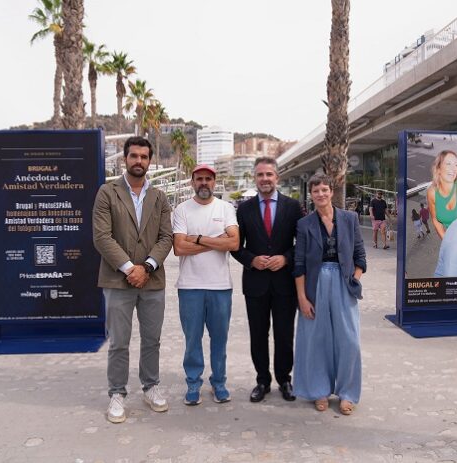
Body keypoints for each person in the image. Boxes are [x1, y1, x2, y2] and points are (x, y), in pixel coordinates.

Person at [92, 136, 174, 424]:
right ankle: (117, 393)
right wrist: (130, 268)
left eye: (144, 156)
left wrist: (147, 267)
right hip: (117, 281)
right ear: (124, 159)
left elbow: (166, 237)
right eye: (134, 156)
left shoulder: (160, 197)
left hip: (152, 281)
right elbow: (102, 237)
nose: (139, 161)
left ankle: (150, 387)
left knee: (152, 339)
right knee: (119, 342)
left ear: (150, 161)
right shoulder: (107, 192)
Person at [293, 174, 367, 416]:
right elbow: (299, 264)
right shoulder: (305, 224)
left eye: (325, 189)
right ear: (311, 195)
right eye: (316, 191)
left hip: (344, 284)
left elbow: (360, 256)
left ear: (331, 192)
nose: (321, 194)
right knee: (316, 339)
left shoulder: (350, 219)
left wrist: (354, 279)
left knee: (350, 340)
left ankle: (347, 393)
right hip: (315, 286)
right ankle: (319, 390)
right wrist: (302, 298)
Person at [231, 157, 303, 403]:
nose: (265, 179)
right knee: (258, 334)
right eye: (260, 175)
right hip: (255, 284)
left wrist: (285, 258)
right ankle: (262, 380)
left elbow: (301, 244)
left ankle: (285, 379)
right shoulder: (244, 209)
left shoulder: (293, 207)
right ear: (255, 178)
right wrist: (251, 260)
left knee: (284, 334)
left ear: (277, 178)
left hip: (285, 284)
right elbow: (235, 246)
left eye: (269, 174)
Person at [172, 164, 240, 405]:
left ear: (214, 182)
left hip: (221, 286)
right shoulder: (182, 210)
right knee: (192, 339)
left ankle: (219, 383)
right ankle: (193, 384)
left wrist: (198, 239)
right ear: (192, 182)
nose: (204, 183)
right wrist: (216, 241)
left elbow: (234, 243)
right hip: (190, 286)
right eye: (199, 179)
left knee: (219, 339)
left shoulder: (226, 208)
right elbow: (179, 248)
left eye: (208, 179)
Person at [427, 150, 457, 239]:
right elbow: (435, 219)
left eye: (456, 165)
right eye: (448, 164)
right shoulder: (432, 193)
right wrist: (445, 240)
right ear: (438, 168)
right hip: (453, 242)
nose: (454, 169)